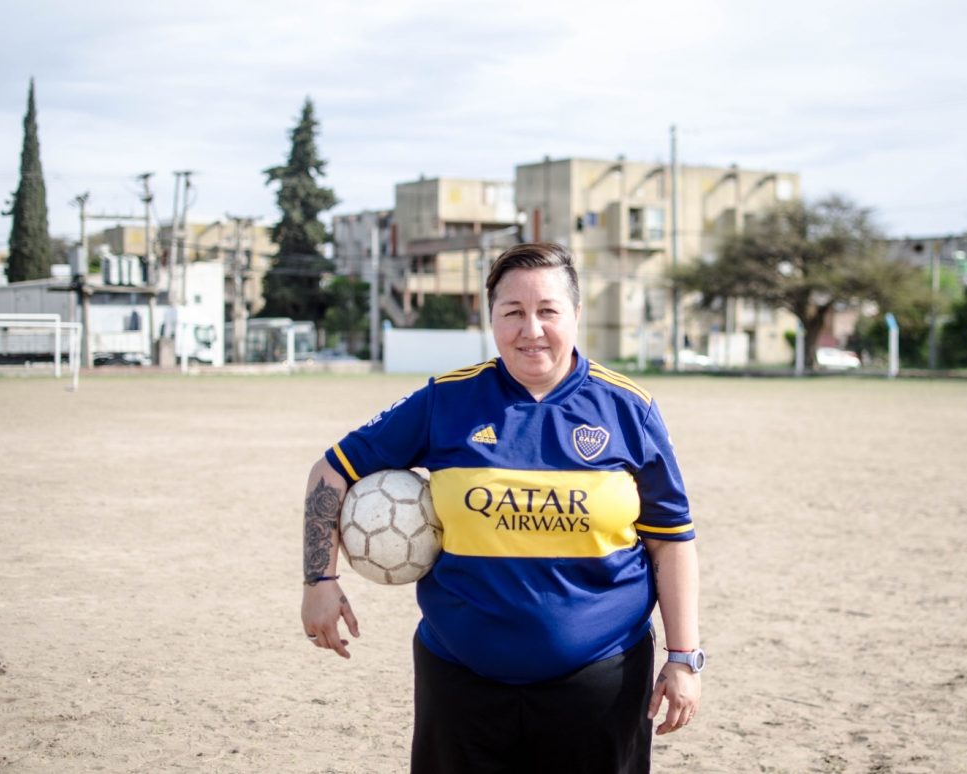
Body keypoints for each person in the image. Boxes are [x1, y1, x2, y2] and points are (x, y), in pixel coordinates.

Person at [300, 242, 702, 773]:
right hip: (462, 681)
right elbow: (330, 471)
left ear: (576, 315)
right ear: (490, 318)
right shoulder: (446, 400)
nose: (530, 329)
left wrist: (683, 657)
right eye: (512, 312)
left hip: (601, 681)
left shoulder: (629, 409)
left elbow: (670, 540)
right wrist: (318, 581)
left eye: (547, 311)